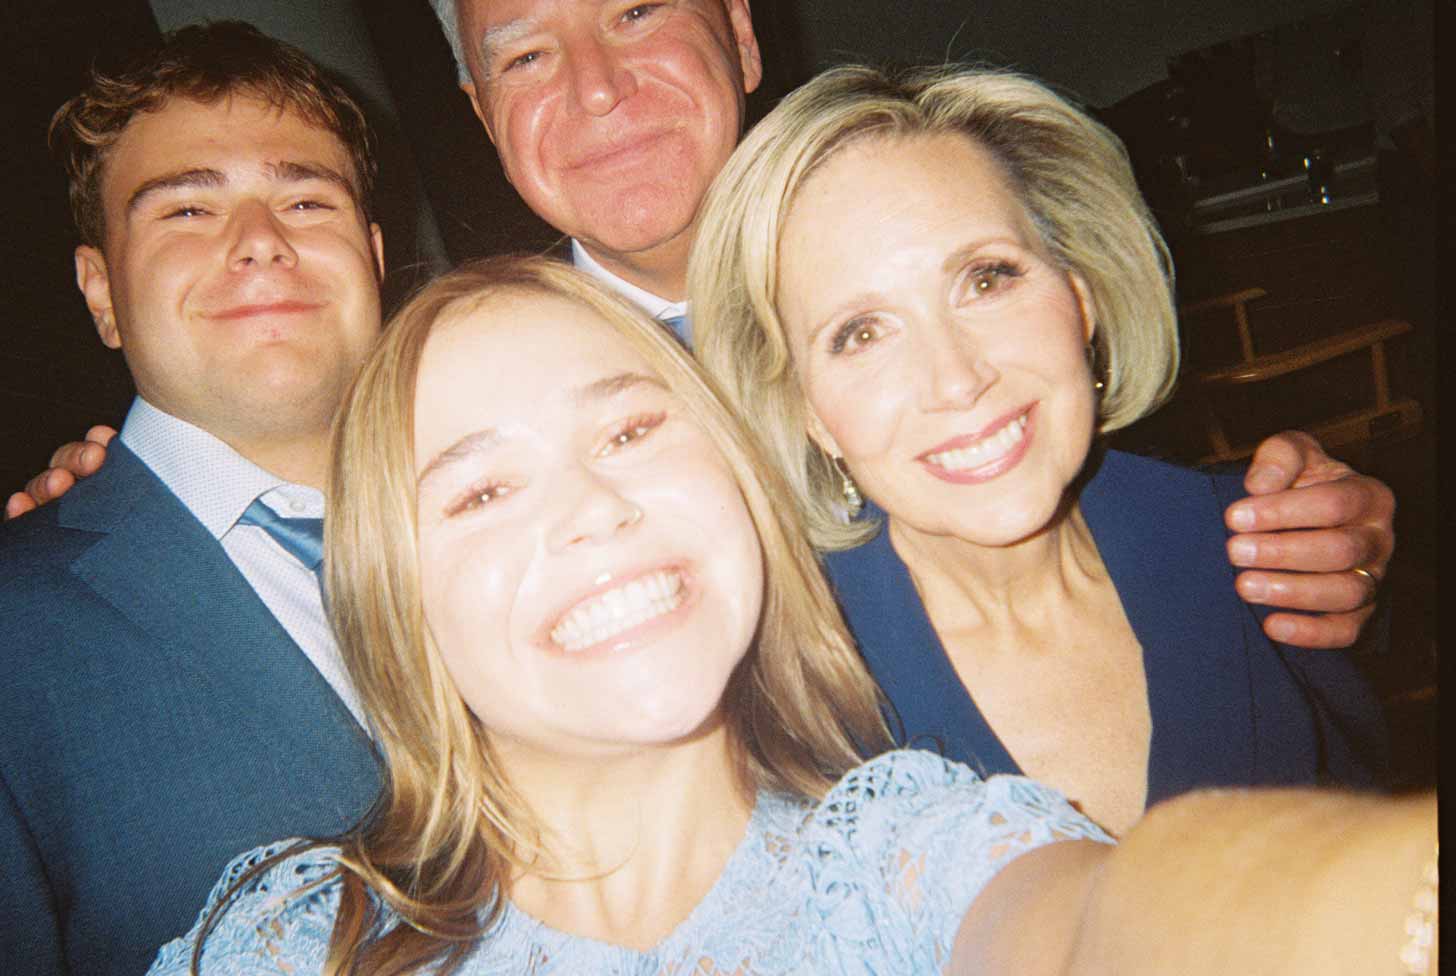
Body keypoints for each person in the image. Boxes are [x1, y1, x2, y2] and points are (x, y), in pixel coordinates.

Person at [148, 255, 1436, 976]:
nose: (591, 508)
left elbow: (1102, 923)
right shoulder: (294, 942)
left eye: (632, 427)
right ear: (392, 595)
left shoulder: (904, 854)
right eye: (481, 487)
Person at [13, 0, 1399, 653]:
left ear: (741, 36)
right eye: (530, 55)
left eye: (636, 13)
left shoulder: (956, 254)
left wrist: (1284, 529)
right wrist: (134, 493)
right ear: (483, 114)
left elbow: (1090, 508)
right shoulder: (449, 395)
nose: (601, 89)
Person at [689, 65, 1389, 833]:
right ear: (809, 413)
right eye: (860, 334)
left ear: (1080, 298)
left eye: (988, 280)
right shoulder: (777, 707)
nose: (956, 380)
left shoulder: (1268, 549)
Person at [0, 24, 386, 975]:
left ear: (374, 256)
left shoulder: (536, 512)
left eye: (304, 198)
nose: (261, 242)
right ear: (100, 290)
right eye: (185, 213)